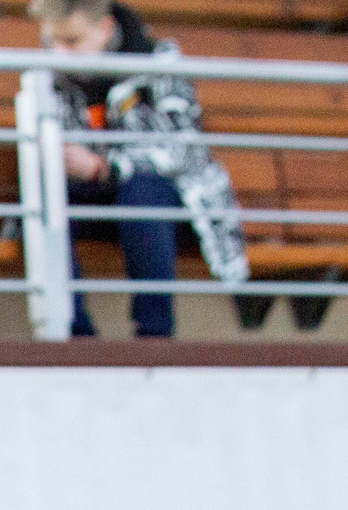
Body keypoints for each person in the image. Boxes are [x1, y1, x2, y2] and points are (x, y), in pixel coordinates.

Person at [35, 0, 246, 339]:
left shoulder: (158, 62)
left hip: (171, 203)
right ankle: (75, 334)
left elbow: (179, 150)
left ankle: (154, 335)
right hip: (96, 197)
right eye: (53, 41)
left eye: (72, 41)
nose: (60, 53)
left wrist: (104, 168)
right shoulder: (44, 74)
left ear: (105, 29)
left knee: (143, 189)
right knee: (45, 193)